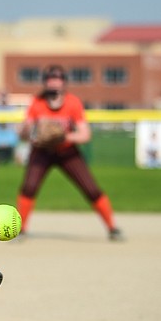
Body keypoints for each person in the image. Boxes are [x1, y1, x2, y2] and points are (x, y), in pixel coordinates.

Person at [16, 64, 122, 241]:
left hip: (67, 151)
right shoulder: (37, 102)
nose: (54, 84)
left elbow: (85, 134)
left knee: (91, 189)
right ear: (45, 83)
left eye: (58, 79)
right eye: (50, 80)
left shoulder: (72, 102)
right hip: (42, 151)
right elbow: (24, 135)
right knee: (29, 187)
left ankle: (112, 228)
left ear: (64, 83)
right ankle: (21, 229)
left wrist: (63, 137)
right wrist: (26, 130)